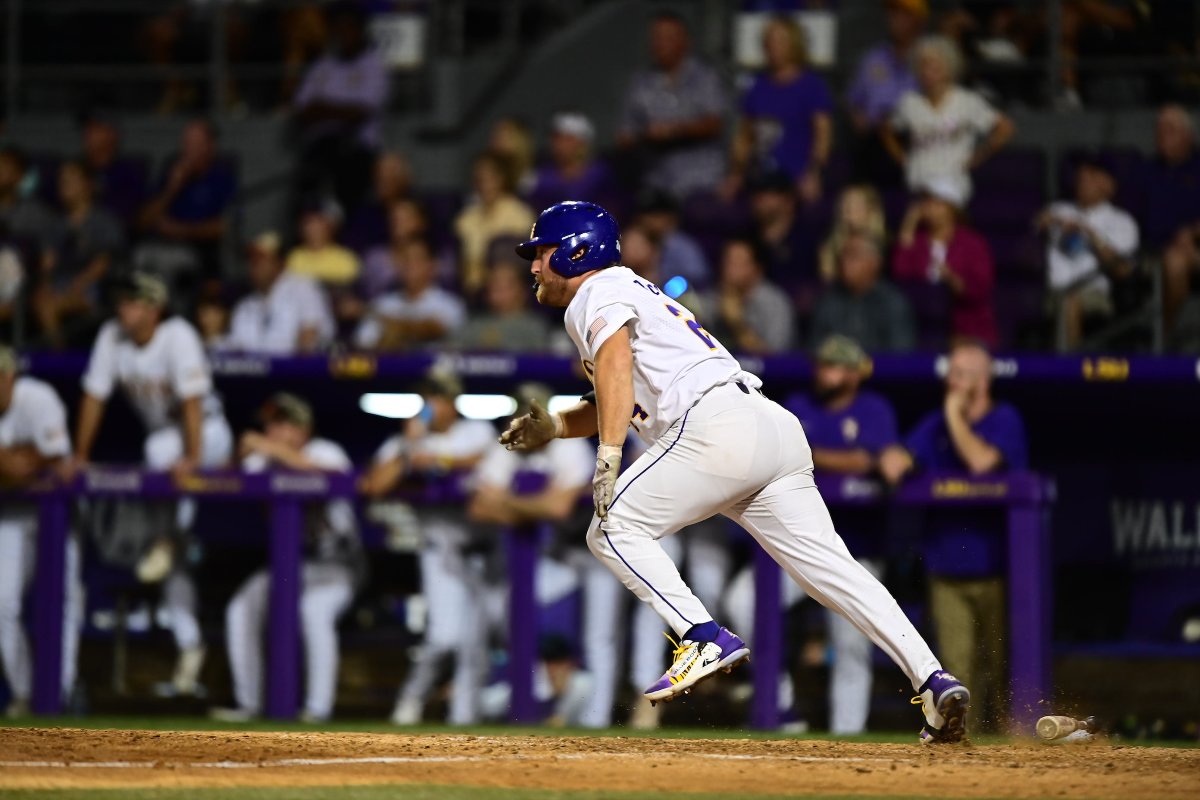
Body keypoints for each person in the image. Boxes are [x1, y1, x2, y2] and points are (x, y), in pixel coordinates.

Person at [505, 200, 972, 742]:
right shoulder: (627, 289)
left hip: (712, 427)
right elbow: (620, 388)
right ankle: (933, 680)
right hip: (767, 426)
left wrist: (609, 454)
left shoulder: (595, 290)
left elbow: (615, 365)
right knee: (835, 572)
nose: (534, 266)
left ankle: (699, 634)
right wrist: (558, 427)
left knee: (611, 527)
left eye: (541, 253)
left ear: (576, 250)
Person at [70, 272, 234, 698]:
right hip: (167, 451)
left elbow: (193, 401)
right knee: (173, 565)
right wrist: (80, 456)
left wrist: (193, 458)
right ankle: (189, 649)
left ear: (154, 308)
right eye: (122, 302)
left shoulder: (177, 334)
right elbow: (94, 395)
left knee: (160, 447)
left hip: (208, 435)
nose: (123, 309)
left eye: (133, 303)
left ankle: (165, 534)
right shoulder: (112, 336)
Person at [726, 335, 900, 734]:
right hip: (795, 545)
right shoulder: (800, 405)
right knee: (741, 601)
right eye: (822, 364)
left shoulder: (873, 409)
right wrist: (842, 459)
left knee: (853, 642)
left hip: (856, 547)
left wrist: (817, 455)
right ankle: (782, 704)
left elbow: (873, 459)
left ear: (855, 374)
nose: (826, 371)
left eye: (836, 366)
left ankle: (848, 735)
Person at [878, 341, 1027, 729]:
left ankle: (1019, 754)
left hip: (999, 570)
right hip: (946, 569)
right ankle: (966, 760)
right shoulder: (935, 424)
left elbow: (981, 464)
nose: (952, 381)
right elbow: (901, 457)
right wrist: (895, 458)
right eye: (951, 372)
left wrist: (953, 415)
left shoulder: (1004, 419)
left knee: (1002, 671)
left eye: (961, 374)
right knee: (959, 673)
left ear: (983, 381)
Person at [211, 394, 362, 724]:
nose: (269, 431)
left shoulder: (325, 450)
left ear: (302, 429)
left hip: (337, 565)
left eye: (280, 423)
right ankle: (247, 703)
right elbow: (223, 477)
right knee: (240, 608)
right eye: (268, 424)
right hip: (289, 566)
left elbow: (327, 474)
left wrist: (271, 449)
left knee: (314, 610)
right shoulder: (263, 460)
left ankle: (318, 709)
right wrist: (239, 456)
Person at [359, 370, 495, 725]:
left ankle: (464, 720)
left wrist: (437, 460)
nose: (434, 405)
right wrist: (408, 450)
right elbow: (373, 485)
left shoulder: (475, 431)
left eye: (441, 398)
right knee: (444, 638)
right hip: (440, 550)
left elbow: (488, 458)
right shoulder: (408, 440)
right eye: (429, 398)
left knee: (474, 646)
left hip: (487, 551)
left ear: (454, 404)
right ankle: (411, 698)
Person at [467, 383, 597, 725]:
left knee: (586, 646)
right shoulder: (508, 445)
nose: (524, 420)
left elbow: (558, 508)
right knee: (499, 651)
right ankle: (531, 708)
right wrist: (529, 507)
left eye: (532, 413)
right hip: (515, 567)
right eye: (520, 412)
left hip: (578, 560)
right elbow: (480, 507)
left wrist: (507, 503)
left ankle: (584, 716)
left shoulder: (569, 447)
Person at [0, 345, 83, 718]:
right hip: (12, 516)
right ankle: (25, 691)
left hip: (57, 515)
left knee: (67, 602)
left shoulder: (37, 397)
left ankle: (58, 693)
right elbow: (19, 466)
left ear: (9, 377)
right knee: (2, 605)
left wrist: (16, 459)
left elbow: (51, 455)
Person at [881, 35, 1014, 203]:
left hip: (953, 187)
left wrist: (978, 156)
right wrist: (903, 159)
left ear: (948, 67)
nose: (928, 71)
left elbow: (1004, 127)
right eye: (924, 65)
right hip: (919, 184)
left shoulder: (966, 100)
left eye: (935, 65)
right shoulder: (909, 102)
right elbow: (886, 129)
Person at [291, 1, 389, 214]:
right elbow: (301, 111)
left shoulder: (373, 65)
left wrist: (322, 107)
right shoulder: (322, 66)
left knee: (349, 171)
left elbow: (361, 113)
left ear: (360, 30)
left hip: (357, 147)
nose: (343, 34)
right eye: (338, 28)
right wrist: (340, 110)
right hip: (320, 146)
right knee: (305, 184)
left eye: (349, 27)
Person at [618, 11, 728, 200]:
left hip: (701, 182)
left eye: (668, 37)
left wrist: (676, 131)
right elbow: (624, 137)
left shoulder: (704, 77)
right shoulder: (641, 82)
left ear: (685, 42)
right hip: (656, 182)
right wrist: (646, 135)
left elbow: (715, 123)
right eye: (657, 37)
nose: (661, 44)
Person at [728, 15, 833, 205]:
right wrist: (736, 174)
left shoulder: (812, 85)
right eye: (769, 41)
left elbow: (823, 136)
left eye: (780, 40)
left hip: (796, 178)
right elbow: (744, 136)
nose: (773, 46)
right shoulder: (757, 85)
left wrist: (814, 173)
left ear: (794, 43)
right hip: (760, 176)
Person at [1037, 156, 1139, 350]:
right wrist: (1048, 221)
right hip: (1054, 292)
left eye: (1092, 175)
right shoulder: (1059, 208)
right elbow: (1034, 227)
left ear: (1109, 186)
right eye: (1082, 175)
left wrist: (1089, 234)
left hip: (1094, 293)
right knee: (1065, 300)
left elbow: (1122, 271)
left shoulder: (1122, 221)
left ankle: (1067, 375)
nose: (1083, 179)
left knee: (1069, 303)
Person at [892, 177, 997, 346]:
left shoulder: (972, 244)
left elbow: (980, 289)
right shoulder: (917, 241)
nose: (928, 208)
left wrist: (953, 280)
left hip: (966, 329)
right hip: (921, 328)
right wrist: (908, 225)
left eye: (936, 203)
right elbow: (900, 272)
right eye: (926, 202)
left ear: (952, 208)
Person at [31, 160, 124, 348]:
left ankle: (60, 361)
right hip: (61, 285)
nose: (65, 185)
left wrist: (78, 285)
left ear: (89, 185)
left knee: (48, 308)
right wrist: (44, 285)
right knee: (41, 301)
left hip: (94, 288)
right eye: (62, 181)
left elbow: (103, 263)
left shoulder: (104, 222)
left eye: (71, 180)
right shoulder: (55, 224)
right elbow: (48, 262)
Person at [137, 119, 237, 286]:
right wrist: (172, 189)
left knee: (171, 264)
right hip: (160, 246)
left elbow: (226, 226)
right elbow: (143, 221)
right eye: (187, 143)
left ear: (210, 146)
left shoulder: (222, 176)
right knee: (141, 257)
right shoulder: (171, 171)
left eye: (197, 143)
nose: (189, 149)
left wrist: (181, 230)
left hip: (200, 253)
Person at [846, 0, 926, 185]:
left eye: (904, 15)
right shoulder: (873, 58)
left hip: (915, 140)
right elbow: (854, 101)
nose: (896, 21)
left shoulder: (927, 57)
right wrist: (858, 118)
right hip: (874, 140)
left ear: (919, 20)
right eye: (892, 14)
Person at [227, 232, 335, 354]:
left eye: (262, 260)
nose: (255, 266)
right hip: (253, 372)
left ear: (280, 262)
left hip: (296, 371)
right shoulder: (245, 305)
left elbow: (310, 339)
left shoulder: (303, 288)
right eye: (252, 261)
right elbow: (236, 350)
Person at [811, 232, 916, 352]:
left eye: (854, 256)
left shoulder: (893, 305)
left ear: (876, 262)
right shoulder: (827, 302)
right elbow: (815, 352)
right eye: (843, 255)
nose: (845, 262)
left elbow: (901, 359)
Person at [355, 239, 466, 351]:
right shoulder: (382, 304)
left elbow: (434, 329)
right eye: (405, 260)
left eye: (416, 260)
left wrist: (393, 325)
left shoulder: (449, 304)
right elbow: (364, 346)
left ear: (432, 266)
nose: (409, 265)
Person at [1147, 105, 1200, 333]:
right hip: (1154, 251)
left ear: (1188, 136)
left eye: (1170, 129)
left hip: (1194, 248)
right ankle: (1165, 335)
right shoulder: (1145, 170)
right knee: (1175, 262)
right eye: (1159, 129)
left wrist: (1193, 233)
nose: (1162, 135)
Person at [453, 152, 536, 298]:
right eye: (480, 179)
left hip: (509, 292)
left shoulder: (520, 214)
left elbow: (527, 261)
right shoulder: (465, 218)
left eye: (490, 178)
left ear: (502, 179)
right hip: (472, 293)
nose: (485, 184)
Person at [707, 238, 795, 354]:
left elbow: (776, 357)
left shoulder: (775, 303)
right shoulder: (712, 297)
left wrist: (737, 324)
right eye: (727, 262)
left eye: (738, 263)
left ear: (757, 269)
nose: (729, 269)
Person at [528, 112, 621, 217]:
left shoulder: (601, 175)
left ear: (583, 143)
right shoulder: (542, 175)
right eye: (556, 138)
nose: (560, 145)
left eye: (568, 139)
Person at [747, 170, 818, 300]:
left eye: (770, 193)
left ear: (789, 200)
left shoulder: (805, 241)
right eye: (758, 193)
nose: (761, 199)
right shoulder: (748, 239)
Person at [451, 260, 548, 352]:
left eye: (505, 287)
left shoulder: (534, 327)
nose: (497, 291)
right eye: (493, 286)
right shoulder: (473, 325)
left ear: (523, 291)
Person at [79, 114, 148, 228]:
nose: (87, 134)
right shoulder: (75, 168)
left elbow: (127, 216)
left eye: (95, 129)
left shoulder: (129, 173)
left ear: (112, 134)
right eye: (87, 129)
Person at [632, 190, 710, 290]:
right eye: (646, 215)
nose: (648, 220)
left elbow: (699, 280)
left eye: (655, 215)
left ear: (668, 217)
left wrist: (664, 282)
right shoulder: (636, 240)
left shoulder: (681, 246)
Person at [0, 147, 58, 274]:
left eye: (4, 166)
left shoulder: (36, 213)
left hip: (21, 282)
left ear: (19, 175)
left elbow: (48, 257)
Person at [343, 151, 414, 253]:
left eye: (390, 176)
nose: (383, 179)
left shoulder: (419, 211)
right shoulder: (364, 215)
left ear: (404, 179)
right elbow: (350, 250)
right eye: (380, 175)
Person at [818, 185, 888, 284]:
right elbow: (827, 283)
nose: (848, 210)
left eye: (855, 204)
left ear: (871, 209)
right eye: (845, 204)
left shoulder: (884, 245)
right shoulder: (830, 246)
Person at [285, 200, 360, 289]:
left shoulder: (347, 259)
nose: (313, 228)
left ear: (332, 225)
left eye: (319, 221)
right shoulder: (293, 258)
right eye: (308, 222)